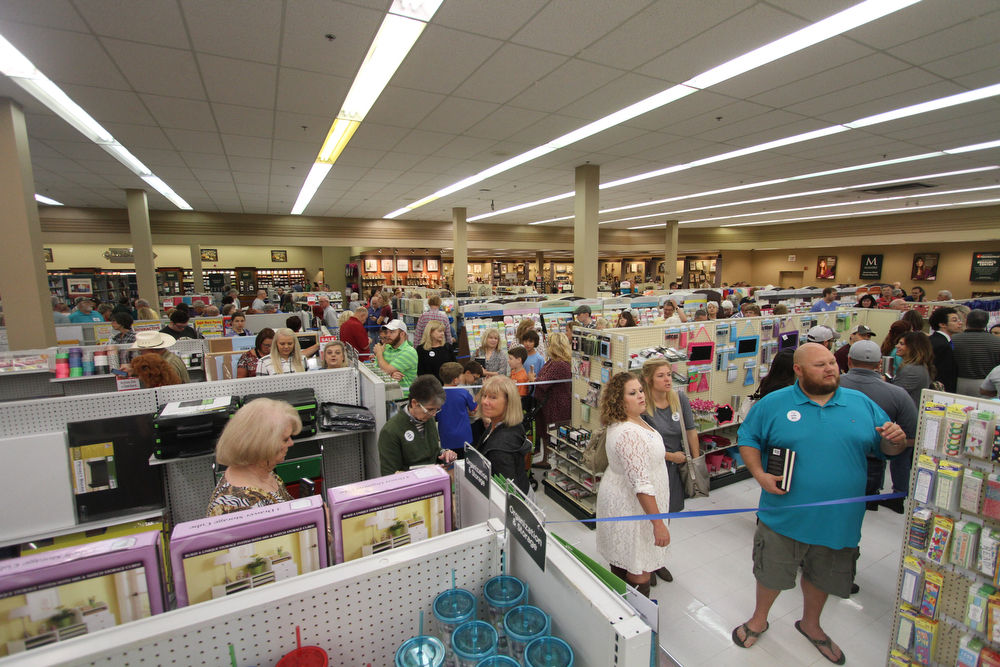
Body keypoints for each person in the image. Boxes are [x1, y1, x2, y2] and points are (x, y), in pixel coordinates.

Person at [732, 343, 907, 662]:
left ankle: (811, 625)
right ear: (798, 370)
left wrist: (894, 442)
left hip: (839, 520)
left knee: (822, 575)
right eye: (820, 365)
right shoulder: (774, 403)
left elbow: (888, 450)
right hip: (783, 515)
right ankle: (759, 620)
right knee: (771, 572)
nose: (830, 369)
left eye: (832, 363)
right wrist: (758, 473)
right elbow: (748, 439)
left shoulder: (860, 403)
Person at [597, 372, 671, 599]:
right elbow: (640, 483)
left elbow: (645, 457)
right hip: (632, 506)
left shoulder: (635, 420)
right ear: (619, 401)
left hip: (633, 503)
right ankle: (636, 616)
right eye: (632, 393)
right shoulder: (628, 432)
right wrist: (658, 524)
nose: (641, 396)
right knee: (637, 562)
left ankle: (621, 605)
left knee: (627, 556)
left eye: (640, 390)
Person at [839, 340, 918, 515]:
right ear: (880, 363)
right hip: (871, 469)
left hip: (832, 461)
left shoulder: (829, 387)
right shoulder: (898, 395)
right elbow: (911, 435)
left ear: (849, 360)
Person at [641, 359, 699, 585]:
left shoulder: (679, 398)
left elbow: (691, 430)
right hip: (653, 469)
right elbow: (643, 445)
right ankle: (647, 561)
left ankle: (659, 559)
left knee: (667, 515)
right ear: (648, 379)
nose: (667, 380)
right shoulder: (643, 404)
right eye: (661, 376)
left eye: (669, 375)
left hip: (675, 470)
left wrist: (695, 460)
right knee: (650, 517)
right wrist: (670, 456)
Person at [206, 398, 300, 516]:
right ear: (261, 444)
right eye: (285, 439)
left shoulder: (262, 470)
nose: (291, 443)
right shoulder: (239, 506)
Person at [377, 375, 456, 475]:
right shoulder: (390, 431)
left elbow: (432, 451)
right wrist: (424, 473)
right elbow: (389, 474)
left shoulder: (428, 418)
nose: (434, 414)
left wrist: (444, 453)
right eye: (430, 409)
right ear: (414, 403)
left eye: (437, 409)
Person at [472, 376, 532, 492]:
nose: (485, 401)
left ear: (508, 402)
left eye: (493, 397)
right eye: (484, 396)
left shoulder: (500, 449)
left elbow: (509, 494)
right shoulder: (505, 423)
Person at [532, 332, 572, 469]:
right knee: (546, 433)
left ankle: (553, 463)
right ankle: (546, 459)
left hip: (556, 406)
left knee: (553, 434)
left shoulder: (559, 364)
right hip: (549, 405)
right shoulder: (553, 361)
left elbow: (542, 382)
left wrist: (533, 379)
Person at [953, 309, 1000, 396]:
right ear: (986, 323)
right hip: (985, 384)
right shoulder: (997, 342)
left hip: (958, 383)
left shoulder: (953, 339)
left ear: (966, 321)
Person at [437, 362, 477, 455]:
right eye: (460, 376)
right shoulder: (464, 392)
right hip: (464, 437)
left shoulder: (436, 394)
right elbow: (474, 409)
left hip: (445, 437)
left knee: (449, 462)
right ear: (455, 380)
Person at [892, 332, 934, 406]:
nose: (897, 346)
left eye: (901, 344)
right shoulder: (918, 367)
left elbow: (894, 395)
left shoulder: (911, 370)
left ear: (913, 347)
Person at [374, 319, 418, 386]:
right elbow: (375, 370)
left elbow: (386, 370)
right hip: (385, 393)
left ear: (402, 334)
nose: (388, 335)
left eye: (392, 332)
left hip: (404, 395)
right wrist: (390, 374)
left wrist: (379, 353)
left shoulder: (409, 352)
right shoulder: (386, 347)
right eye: (387, 332)